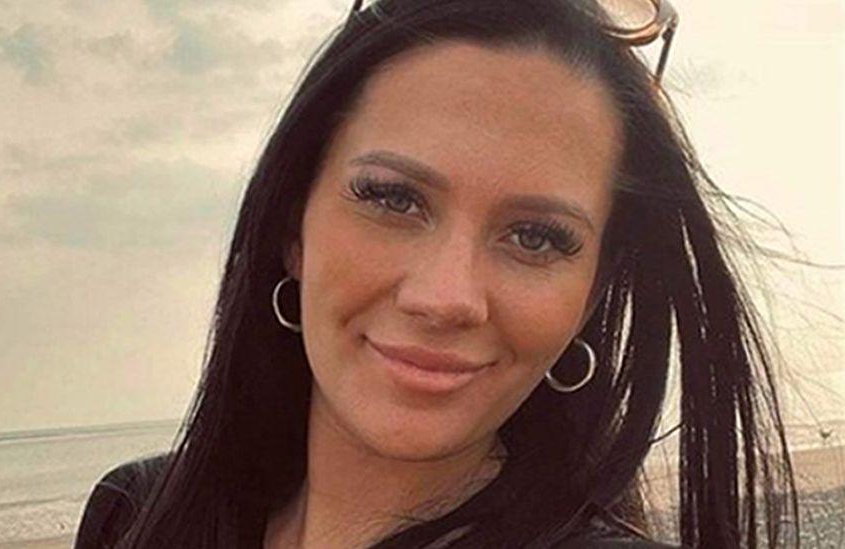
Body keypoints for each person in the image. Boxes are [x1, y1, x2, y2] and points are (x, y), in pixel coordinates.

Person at [75, 0, 801, 547]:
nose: (445, 296)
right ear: (292, 223)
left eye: (537, 237)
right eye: (393, 198)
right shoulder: (138, 515)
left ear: (590, 293)